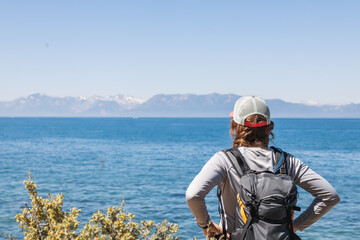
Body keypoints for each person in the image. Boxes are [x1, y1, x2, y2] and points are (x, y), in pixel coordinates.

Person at [186, 96, 340, 239]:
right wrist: (295, 226)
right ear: (269, 127)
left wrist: (206, 226)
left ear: (235, 126)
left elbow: (193, 195)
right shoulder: (288, 162)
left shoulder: (224, 160)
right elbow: (330, 196)